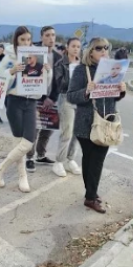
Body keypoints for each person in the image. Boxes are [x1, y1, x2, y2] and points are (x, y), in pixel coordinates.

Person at [66, 37, 125, 214]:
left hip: (106, 122)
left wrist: (121, 90)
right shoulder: (81, 70)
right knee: (92, 160)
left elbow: (111, 98)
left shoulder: (112, 70)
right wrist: (86, 91)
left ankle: (91, 193)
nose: (104, 51)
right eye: (99, 48)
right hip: (86, 124)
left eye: (106, 47)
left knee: (96, 160)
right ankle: (91, 197)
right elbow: (70, 96)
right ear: (90, 51)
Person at [0, 26, 44, 192]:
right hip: (14, 101)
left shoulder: (37, 56)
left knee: (28, 142)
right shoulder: (8, 58)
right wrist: (11, 71)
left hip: (31, 102)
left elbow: (44, 83)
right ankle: (23, 177)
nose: (26, 43)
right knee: (18, 141)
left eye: (28, 39)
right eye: (22, 40)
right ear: (16, 40)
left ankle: (1, 168)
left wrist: (47, 72)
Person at [25, 26, 61, 172]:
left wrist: (52, 98)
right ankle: (29, 158)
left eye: (53, 35)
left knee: (48, 129)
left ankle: (41, 154)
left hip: (52, 99)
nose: (51, 38)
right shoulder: (33, 54)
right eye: (47, 35)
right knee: (34, 130)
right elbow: (28, 76)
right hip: (35, 98)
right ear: (41, 37)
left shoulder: (59, 57)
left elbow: (60, 80)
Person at [50, 37, 82, 177]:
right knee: (67, 132)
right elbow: (60, 85)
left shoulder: (82, 64)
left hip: (80, 100)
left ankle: (70, 159)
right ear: (67, 47)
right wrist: (73, 74)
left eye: (78, 46)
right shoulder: (60, 64)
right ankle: (59, 162)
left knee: (77, 132)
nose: (76, 48)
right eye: (73, 46)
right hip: (66, 98)